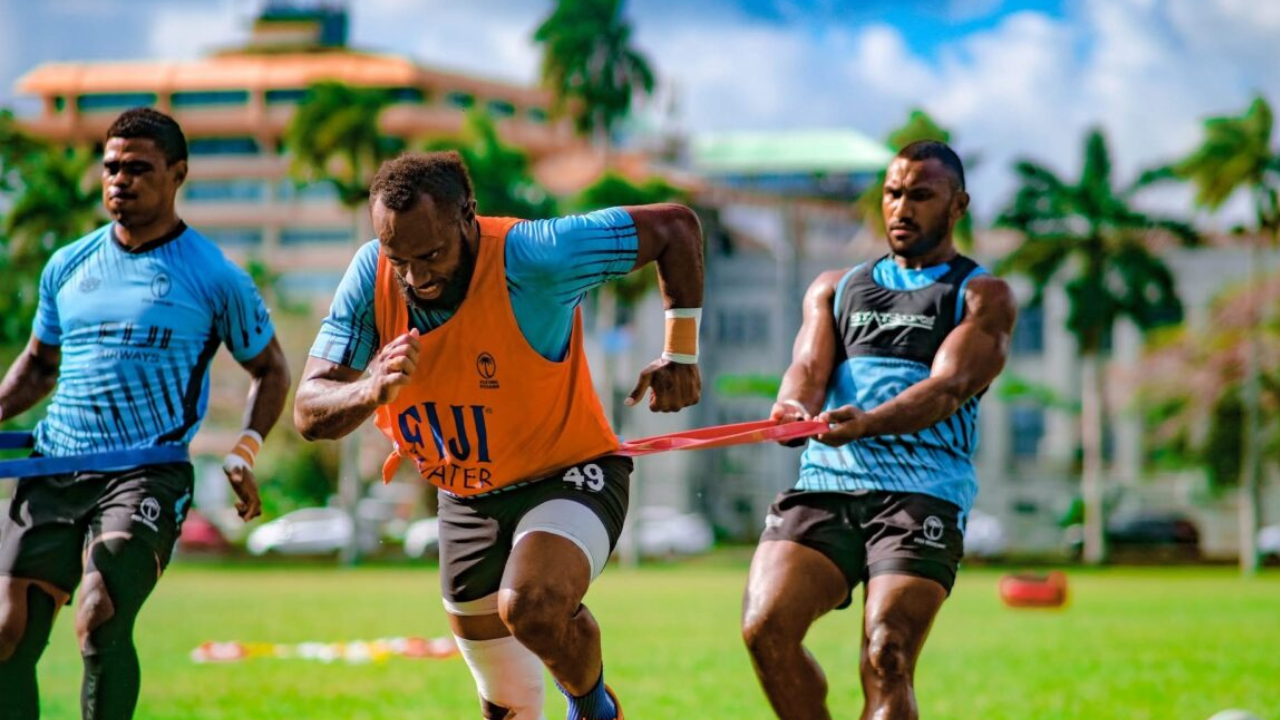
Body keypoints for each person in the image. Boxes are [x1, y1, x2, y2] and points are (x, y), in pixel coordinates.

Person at [293, 151, 704, 720]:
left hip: (570, 472)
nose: (415, 278)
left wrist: (680, 353)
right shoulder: (372, 275)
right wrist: (369, 390)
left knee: (531, 605)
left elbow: (675, 228)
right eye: (399, 259)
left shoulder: (535, 255)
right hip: (466, 500)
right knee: (507, 708)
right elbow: (309, 411)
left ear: (468, 215)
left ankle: (593, 711)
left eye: (431, 255)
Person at [0, 107, 291, 720]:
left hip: (145, 473)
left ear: (177, 174)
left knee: (99, 614)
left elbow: (271, 369)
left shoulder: (215, 276)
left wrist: (245, 450)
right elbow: (38, 367)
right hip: (54, 466)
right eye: (111, 167)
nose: (119, 180)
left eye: (138, 168)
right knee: (6, 632)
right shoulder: (67, 265)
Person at [741, 140, 1016, 720]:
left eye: (921, 195)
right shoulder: (835, 287)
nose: (902, 208)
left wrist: (866, 424)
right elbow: (808, 370)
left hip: (922, 494)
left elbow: (947, 389)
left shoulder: (980, 295)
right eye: (893, 193)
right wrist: (792, 408)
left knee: (887, 651)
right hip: (826, 486)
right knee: (765, 628)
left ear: (958, 205)